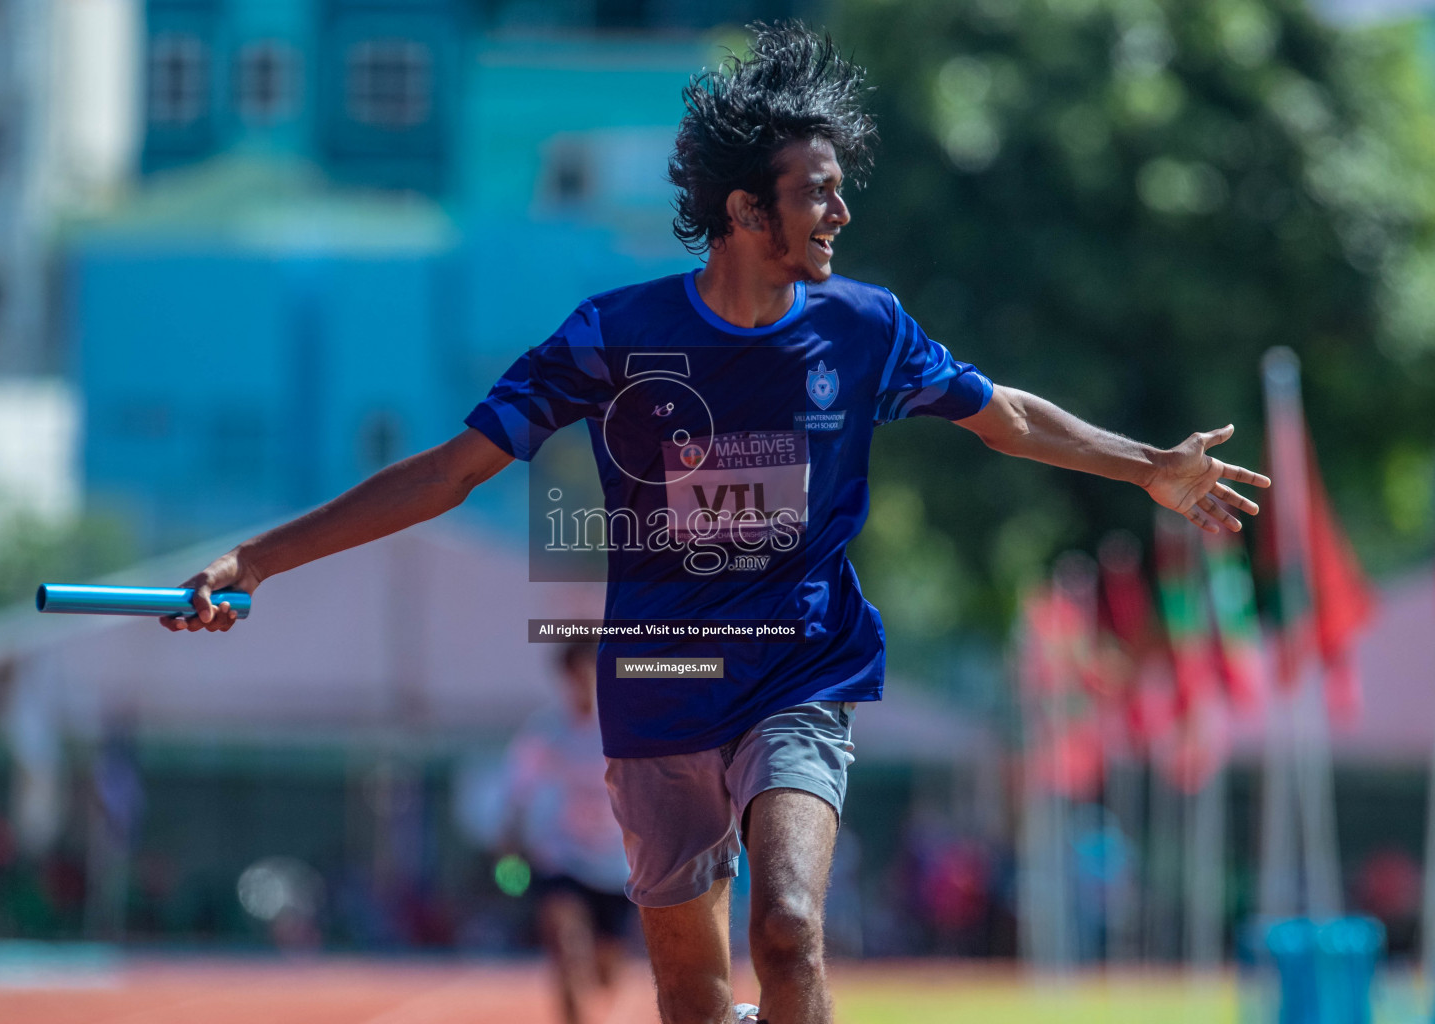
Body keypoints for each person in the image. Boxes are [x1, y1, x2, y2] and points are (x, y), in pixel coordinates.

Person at [160, 22, 1268, 1024]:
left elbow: (1005, 415)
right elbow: (451, 472)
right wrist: (260, 557)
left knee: (787, 928)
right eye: (818, 193)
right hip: (657, 691)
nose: (841, 212)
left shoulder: (864, 328)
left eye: (840, 190)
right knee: (693, 1000)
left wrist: (1149, 469)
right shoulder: (610, 336)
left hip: (799, 672)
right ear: (747, 211)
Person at [501, 642, 632, 1024]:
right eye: (574, 674)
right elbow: (517, 790)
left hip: (615, 864)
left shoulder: (623, 728)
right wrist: (509, 841)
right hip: (563, 856)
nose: (582, 682)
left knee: (606, 973)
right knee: (565, 944)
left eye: (589, 671)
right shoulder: (546, 730)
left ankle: (602, 969)